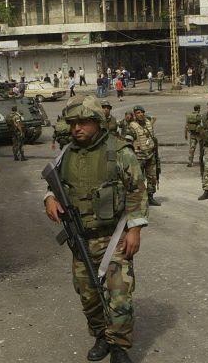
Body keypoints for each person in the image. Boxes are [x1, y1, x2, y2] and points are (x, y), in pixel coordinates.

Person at [43, 96, 148, 363]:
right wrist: (49, 199)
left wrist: (135, 229)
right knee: (88, 295)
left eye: (83, 123)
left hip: (114, 237)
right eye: (73, 123)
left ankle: (119, 348)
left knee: (120, 295)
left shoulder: (119, 151)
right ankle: (101, 336)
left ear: (97, 122)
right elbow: (54, 184)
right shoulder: (67, 153)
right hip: (80, 240)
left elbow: (136, 189)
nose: (77, 128)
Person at [129, 105, 161, 206]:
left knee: (152, 177)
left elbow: (153, 119)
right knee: (139, 179)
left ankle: (150, 197)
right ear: (135, 115)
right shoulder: (132, 126)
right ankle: (140, 200)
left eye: (142, 112)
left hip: (150, 155)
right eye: (138, 113)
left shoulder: (148, 122)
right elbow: (127, 143)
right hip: (138, 157)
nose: (140, 114)